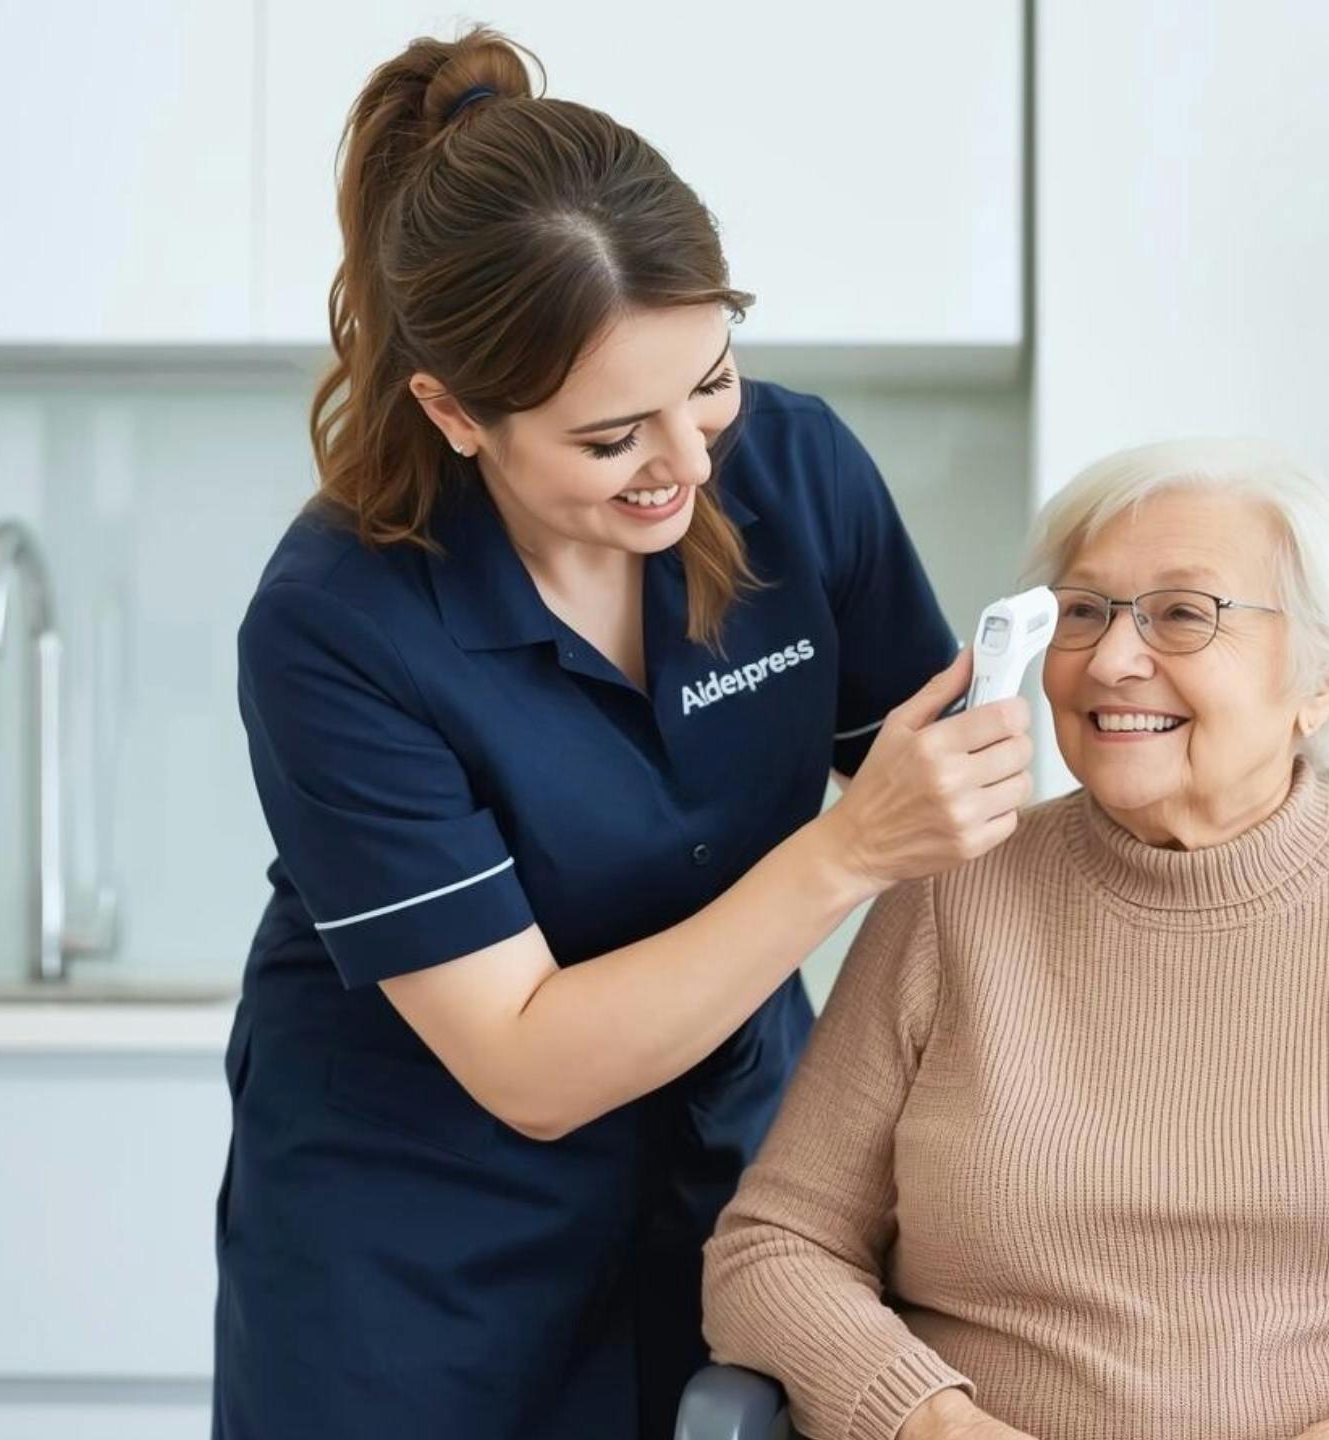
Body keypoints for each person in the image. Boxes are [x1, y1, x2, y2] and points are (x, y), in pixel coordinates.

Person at [212, 27, 1033, 1439]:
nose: (694, 464)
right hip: (417, 1257)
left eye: (709, 379)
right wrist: (846, 855)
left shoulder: (794, 468)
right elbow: (527, 1064)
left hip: (738, 1189)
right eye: (613, 440)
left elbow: (954, 790)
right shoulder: (337, 622)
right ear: (455, 413)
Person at [704, 439, 1329, 1440]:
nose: (1110, 660)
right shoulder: (950, 895)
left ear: (1321, 678)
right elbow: (775, 1250)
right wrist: (930, 1421)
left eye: (1183, 614)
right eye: (1082, 612)